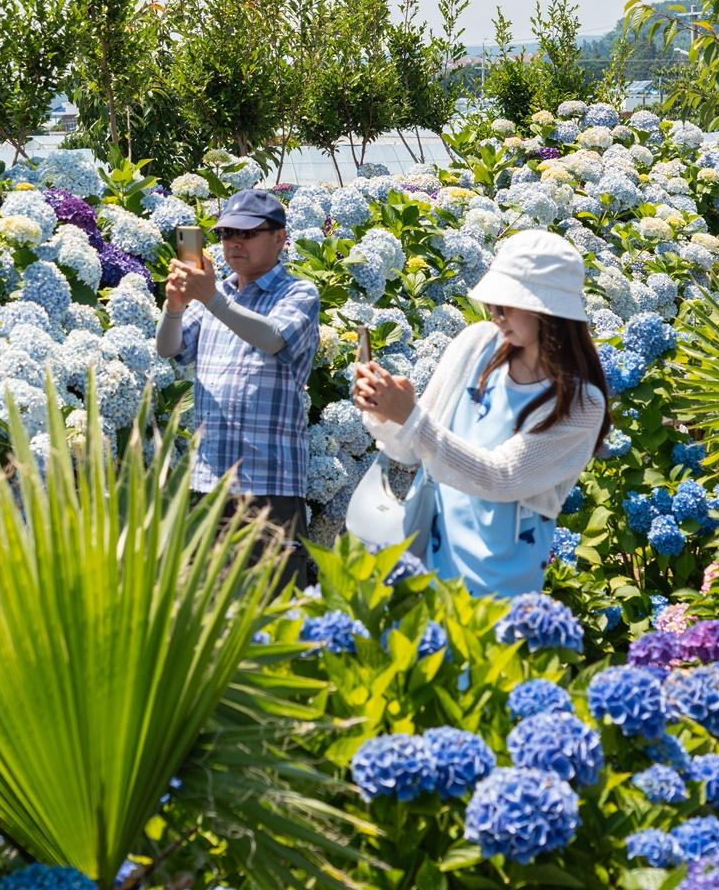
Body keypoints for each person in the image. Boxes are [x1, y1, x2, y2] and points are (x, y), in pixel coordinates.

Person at [352, 229, 609, 599]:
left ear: (548, 310)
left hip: (501, 579)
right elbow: (410, 449)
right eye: (493, 302)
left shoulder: (581, 403)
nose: (495, 313)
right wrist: (384, 410)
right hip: (429, 555)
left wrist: (410, 417)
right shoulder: (477, 345)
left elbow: (501, 478)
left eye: (508, 304)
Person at [156, 188, 320, 577]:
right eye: (227, 234)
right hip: (208, 484)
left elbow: (273, 338)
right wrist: (175, 306)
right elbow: (169, 348)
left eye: (247, 234)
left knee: (271, 614)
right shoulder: (219, 293)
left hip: (269, 486)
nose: (234, 243)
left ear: (279, 238)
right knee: (210, 614)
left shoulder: (298, 292)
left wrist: (211, 298)